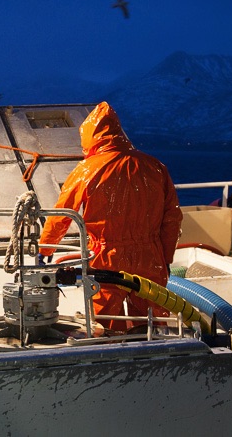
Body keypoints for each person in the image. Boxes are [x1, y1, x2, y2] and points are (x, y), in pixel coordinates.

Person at [38, 102, 183, 331]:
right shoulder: (155, 167)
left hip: (106, 259)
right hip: (150, 258)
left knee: (103, 325)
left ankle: (109, 357)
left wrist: (45, 249)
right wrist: (164, 258)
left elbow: (62, 214)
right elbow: (172, 218)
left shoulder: (86, 170)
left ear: (90, 137)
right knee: (151, 323)